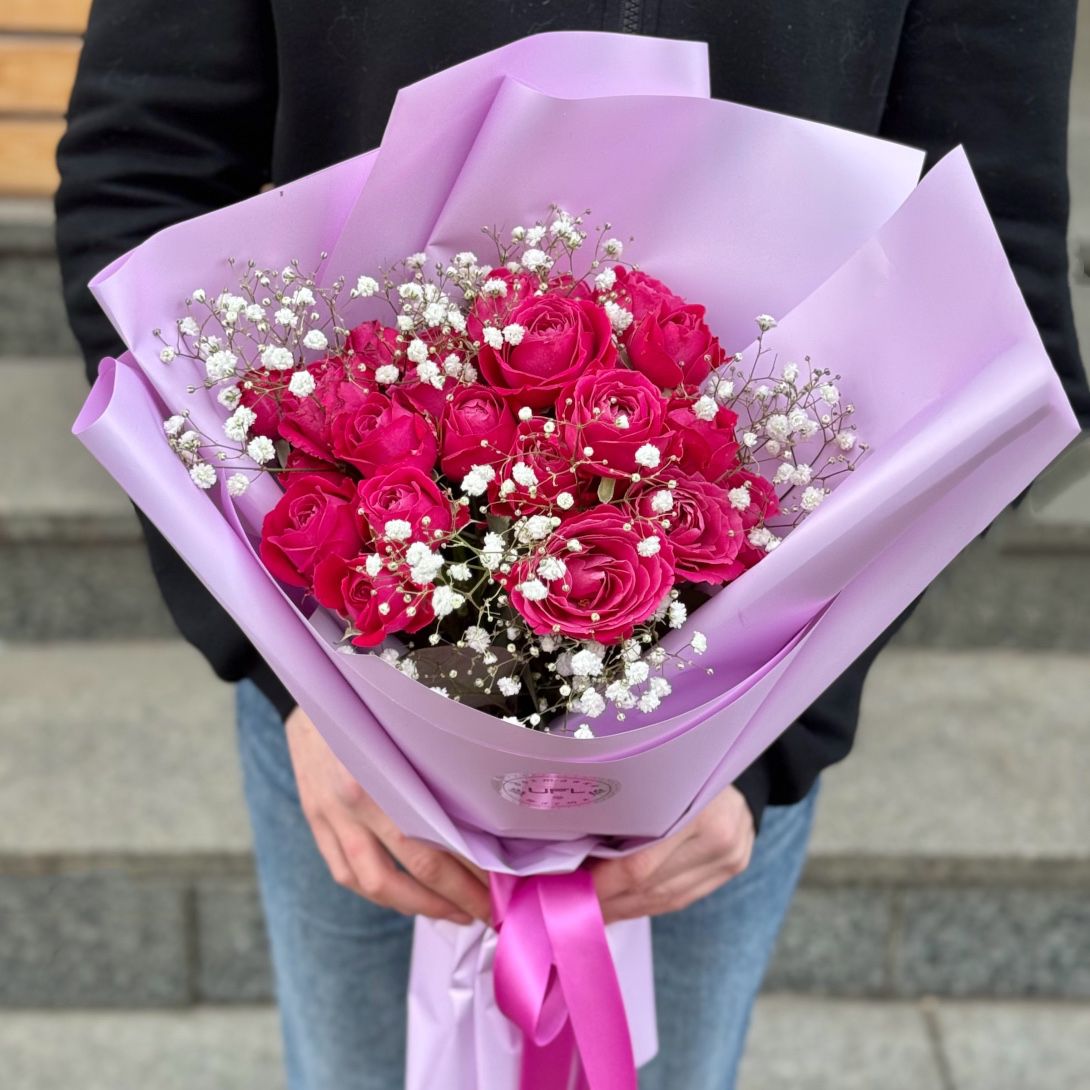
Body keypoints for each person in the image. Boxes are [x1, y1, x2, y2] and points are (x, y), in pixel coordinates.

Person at [55, 3, 1087, 1088]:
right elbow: (143, 170)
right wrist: (292, 677)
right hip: (338, 711)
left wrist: (770, 739)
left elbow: (990, 280)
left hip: (721, 757)